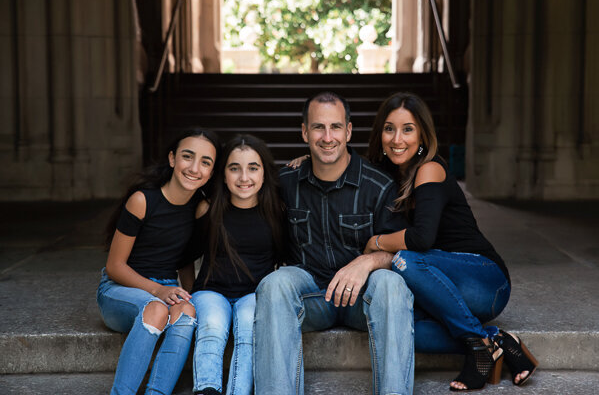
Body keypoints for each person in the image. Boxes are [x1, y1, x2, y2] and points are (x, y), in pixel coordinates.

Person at [362, 92, 538, 391]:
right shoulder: (390, 173)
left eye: (408, 129)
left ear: (422, 135)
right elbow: (348, 165)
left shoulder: (430, 168)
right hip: (443, 286)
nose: (397, 139)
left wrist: (375, 242)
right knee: (403, 327)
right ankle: (496, 341)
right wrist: (309, 161)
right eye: (389, 128)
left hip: (484, 279)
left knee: (405, 260)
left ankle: (476, 347)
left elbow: (421, 238)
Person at [254, 92, 415, 395]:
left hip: (363, 300)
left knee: (392, 285)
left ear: (349, 131)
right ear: (304, 132)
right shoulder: (284, 182)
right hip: (311, 293)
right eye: (318, 128)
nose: (327, 137)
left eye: (335, 127)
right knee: (274, 284)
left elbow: (401, 251)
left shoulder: (378, 185)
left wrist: (366, 262)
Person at [97, 128, 219, 395]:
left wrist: (190, 298)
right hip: (121, 289)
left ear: (211, 172)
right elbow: (114, 266)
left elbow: (185, 258)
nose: (195, 168)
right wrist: (157, 291)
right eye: (188, 157)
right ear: (172, 159)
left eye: (205, 162)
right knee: (156, 309)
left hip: (165, 291)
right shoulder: (142, 201)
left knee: (187, 313)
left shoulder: (200, 207)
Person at [188, 134, 286, 395]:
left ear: (264, 173)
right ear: (223, 174)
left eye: (253, 168)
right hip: (211, 291)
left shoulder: (277, 211)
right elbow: (186, 257)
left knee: (247, 328)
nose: (244, 177)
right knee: (212, 325)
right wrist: (188, 297)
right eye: (235, 168)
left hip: (254, 294)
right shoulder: (207, 209)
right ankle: (207, 390)